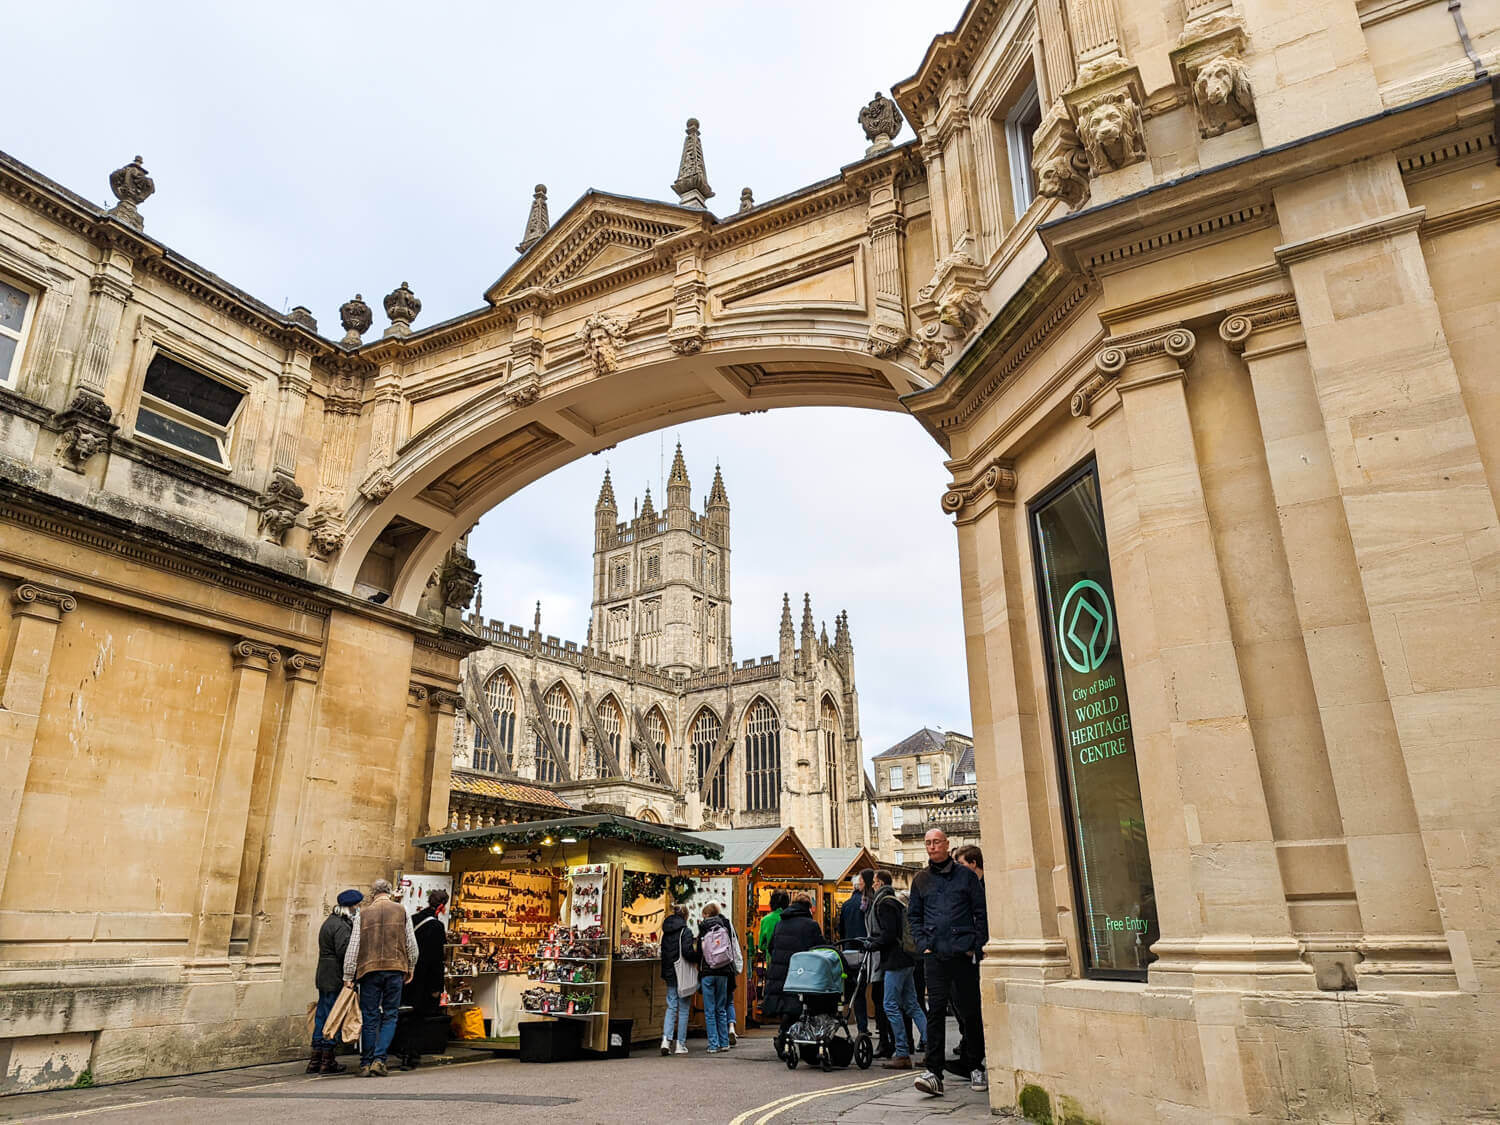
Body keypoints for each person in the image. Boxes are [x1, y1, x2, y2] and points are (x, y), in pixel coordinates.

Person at [908, 829, 987, 1098]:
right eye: (928, 842)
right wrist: (923, 945)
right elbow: (914, 917)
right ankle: (934, 1073)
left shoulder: (965, 876)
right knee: (935, 1011)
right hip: (935, 956)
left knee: (970, 1011)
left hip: (962, 954)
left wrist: (975, 947)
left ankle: (975, 1065)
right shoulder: (920, 880)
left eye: (936, 842)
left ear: (946, 844)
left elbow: (980, 912)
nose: (932, 847)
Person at [343, 877, 419, 1078]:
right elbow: (411, 944)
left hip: (369, 970)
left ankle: (366, 1063)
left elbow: (354, 947)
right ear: (389, 892)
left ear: (373, 893)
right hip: (395, 968)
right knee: (390, 1015)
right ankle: (379, 1059)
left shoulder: (363, 914)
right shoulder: (401, 911)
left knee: (370, 1016)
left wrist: (348, 975)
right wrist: (410, 967)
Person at [869, 870, 925, 1070]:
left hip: (895, 961)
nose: (873, 886)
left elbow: (889, 934)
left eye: (875, 882)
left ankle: (901, 1053)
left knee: (890, 1004)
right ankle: (931, 1046)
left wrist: (873, 943)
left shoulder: (884, 903)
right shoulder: (896, 900)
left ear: (880, 883)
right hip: (908, 958)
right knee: (912, 1004)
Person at [760, 890, 825, 1044]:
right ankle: (790, 1037)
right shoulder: (811, 925)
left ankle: (785, 1035)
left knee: (788, 1005)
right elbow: (821, 948)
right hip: (802, 972)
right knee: (799, 1005)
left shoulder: (780, 924)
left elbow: (770, 947)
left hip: (780, 970)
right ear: (809, 907)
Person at [310, 889, 361, 1074]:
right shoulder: (341, 925)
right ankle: (327, 1059)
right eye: (357, 906)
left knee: (322, 1015)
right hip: (334, 976)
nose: (358, 909)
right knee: (333, 1015)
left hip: (324, 974)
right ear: (351, 907)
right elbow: (344, 952)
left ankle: (316, 1058)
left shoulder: (329, 922)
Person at [397, 887, 448, 1070]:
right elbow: (436, 960)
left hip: (408, 975)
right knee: (418, 1019)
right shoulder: (436, 926)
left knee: (405, 1016)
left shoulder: (414, 919)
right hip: (424, 980)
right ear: (441, 907)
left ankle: (401, 1049)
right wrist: (437, 986)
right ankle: (410, 1055)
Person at [948, 847, 984, 1078]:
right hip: (963, 956)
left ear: (972, 863)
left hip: (976, 956)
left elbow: (983, 919)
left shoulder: (982, 887)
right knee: (963, 1009)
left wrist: (975, 947)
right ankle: (969, 1057)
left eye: (960, 863)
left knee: (971, 1011)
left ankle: (973, 1060)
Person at [694, 903, 743, 1054]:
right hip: (723, 972)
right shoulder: (725, 926)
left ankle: (713, 1044)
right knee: (721, 1008)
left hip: (708, 972)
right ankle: (724, 1043)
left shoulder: (703, 928)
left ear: (707, 915)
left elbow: (699, 954)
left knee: (709, 1010)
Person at [836, 871, 873, 1043]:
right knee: (871, 991)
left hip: (849, 950)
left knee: (856, 991)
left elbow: (841, 929)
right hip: (866, 950)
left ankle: (861, 1026)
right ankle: (866, 1027)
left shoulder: (847, 904)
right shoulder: (867, 903)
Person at [659, 904, 693, 1056]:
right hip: (682, 972)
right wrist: (697, 956)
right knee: (684, 1008)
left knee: (671, 1006)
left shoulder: (666, 931)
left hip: (669, 972)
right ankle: (680, 1044)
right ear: (686, 916)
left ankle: (666, 1040)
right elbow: (687, 952)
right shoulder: (686, 931)